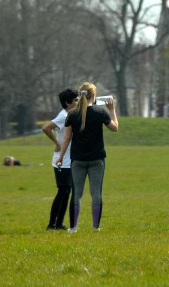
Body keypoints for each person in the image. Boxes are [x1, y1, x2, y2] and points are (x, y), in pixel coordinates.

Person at [55, 83, 119, 232]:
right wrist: (112, 110)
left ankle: (73, 227)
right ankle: (95, 227)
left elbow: (67, 138)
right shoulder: (100, 112)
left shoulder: (72, 114)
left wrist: (61, 156)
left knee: (77, 194)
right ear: (94, 96)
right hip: (97, 159)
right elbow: (115, 128)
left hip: (77, 159)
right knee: (96, 193)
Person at [42, 88, 78, 230]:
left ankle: (59, 224)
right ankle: (52, 224)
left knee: (67, 191)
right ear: (67, 102)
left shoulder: (72, 114)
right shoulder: (63, 116)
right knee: (62, 191)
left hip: (69, 159)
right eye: (75, 100)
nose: (77, 102)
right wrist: (57, 143)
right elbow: (46, 128)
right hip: (61, 160)